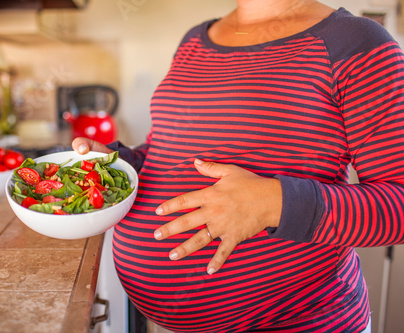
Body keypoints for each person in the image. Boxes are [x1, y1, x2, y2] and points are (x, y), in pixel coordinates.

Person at [72, 0, 404, 331]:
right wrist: (120, 164)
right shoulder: (194, 40)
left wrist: (274, 203)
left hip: (302, 322)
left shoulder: (356, 42)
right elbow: (169, 152)